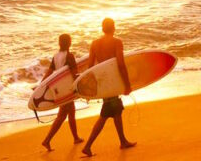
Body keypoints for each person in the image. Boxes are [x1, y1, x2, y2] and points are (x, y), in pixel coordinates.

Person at [82, 18, 136, 156]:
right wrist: (127, 84)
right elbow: (120, 64)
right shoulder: (117, 42)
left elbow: (89, 67)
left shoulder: (94, 44)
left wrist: (88, 89)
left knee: (116, 110)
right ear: (114, 28)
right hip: (113, 81)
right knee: (105, 114)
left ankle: (123, 141)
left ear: (102, 28)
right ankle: (88, 146)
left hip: (103, 81)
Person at [39, 34, 84, 151]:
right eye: (70, 40)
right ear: (69, 43)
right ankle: (47, 140)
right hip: (68, 89)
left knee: (71, 112)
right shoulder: (69, 56)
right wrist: (79, 87)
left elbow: (49, 72)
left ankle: (75, 137)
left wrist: (41, 85)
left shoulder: (56, 56)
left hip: (59, 89)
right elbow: (74, 74)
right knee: (62, 115)